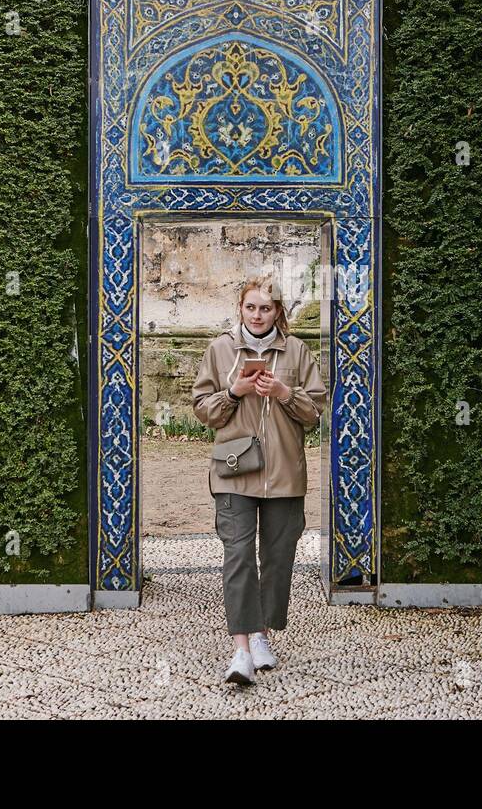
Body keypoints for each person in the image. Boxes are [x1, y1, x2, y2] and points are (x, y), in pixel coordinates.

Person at [191, 274, 327, 685]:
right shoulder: (220, 350)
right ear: (241, 309)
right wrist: (233, 392)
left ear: (278, 312)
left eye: (266, 307)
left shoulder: (298, 351)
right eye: (251, 307)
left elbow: (316, 412)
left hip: (285, 475)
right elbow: (203, 410)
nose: (257, 314)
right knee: (238, 558)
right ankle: (241, 651)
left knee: (278, 558)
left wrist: (285, 392)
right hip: (234, 471)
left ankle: (263, 634)